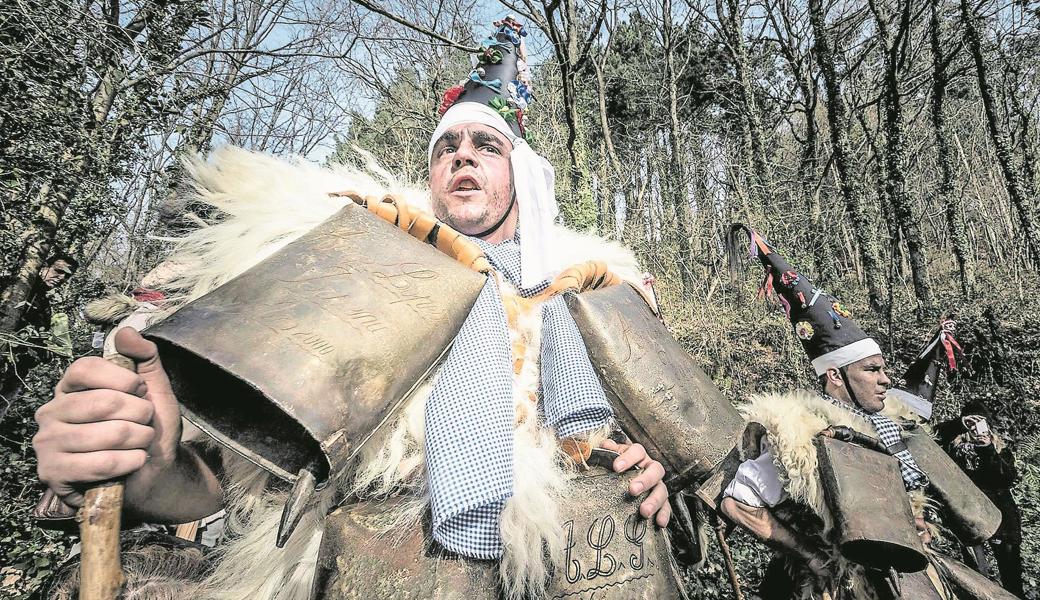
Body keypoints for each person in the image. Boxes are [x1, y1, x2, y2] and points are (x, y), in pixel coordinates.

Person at [33, 18, 676, 599]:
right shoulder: (356, 257)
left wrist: (644, 475)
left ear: (525, 176)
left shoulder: (594, 295)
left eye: (487, 144)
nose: (462, 155)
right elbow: (233, 483)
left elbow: (663, 464)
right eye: (446, 147)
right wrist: (151, 471)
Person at [720, 225, 936, 599]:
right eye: (871, 370)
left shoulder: (889, 427)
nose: (885, 380)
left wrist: (916, 525)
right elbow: (737, 502)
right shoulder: (802, 434)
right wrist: (810, 556)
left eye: (883, 369)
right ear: (835, 375)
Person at [937, 399, 1024, 597]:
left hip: (1002, 520)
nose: (976, 428)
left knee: (1012, 578)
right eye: (972, 423)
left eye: (981, 422)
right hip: (969, 518)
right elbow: (933, 436)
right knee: (977, 576)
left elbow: (1006, 478)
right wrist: (959, 424)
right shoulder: (953, 449)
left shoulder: (999, 449)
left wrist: (987, 450)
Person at [0, 253, 77, 418]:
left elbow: (41, 343)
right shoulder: (11, 286)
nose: (61, 278)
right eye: (58, 271)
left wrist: (44, 351)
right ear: (43, 267)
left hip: (14, 372)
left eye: (66, 276)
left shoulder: (44, 306)